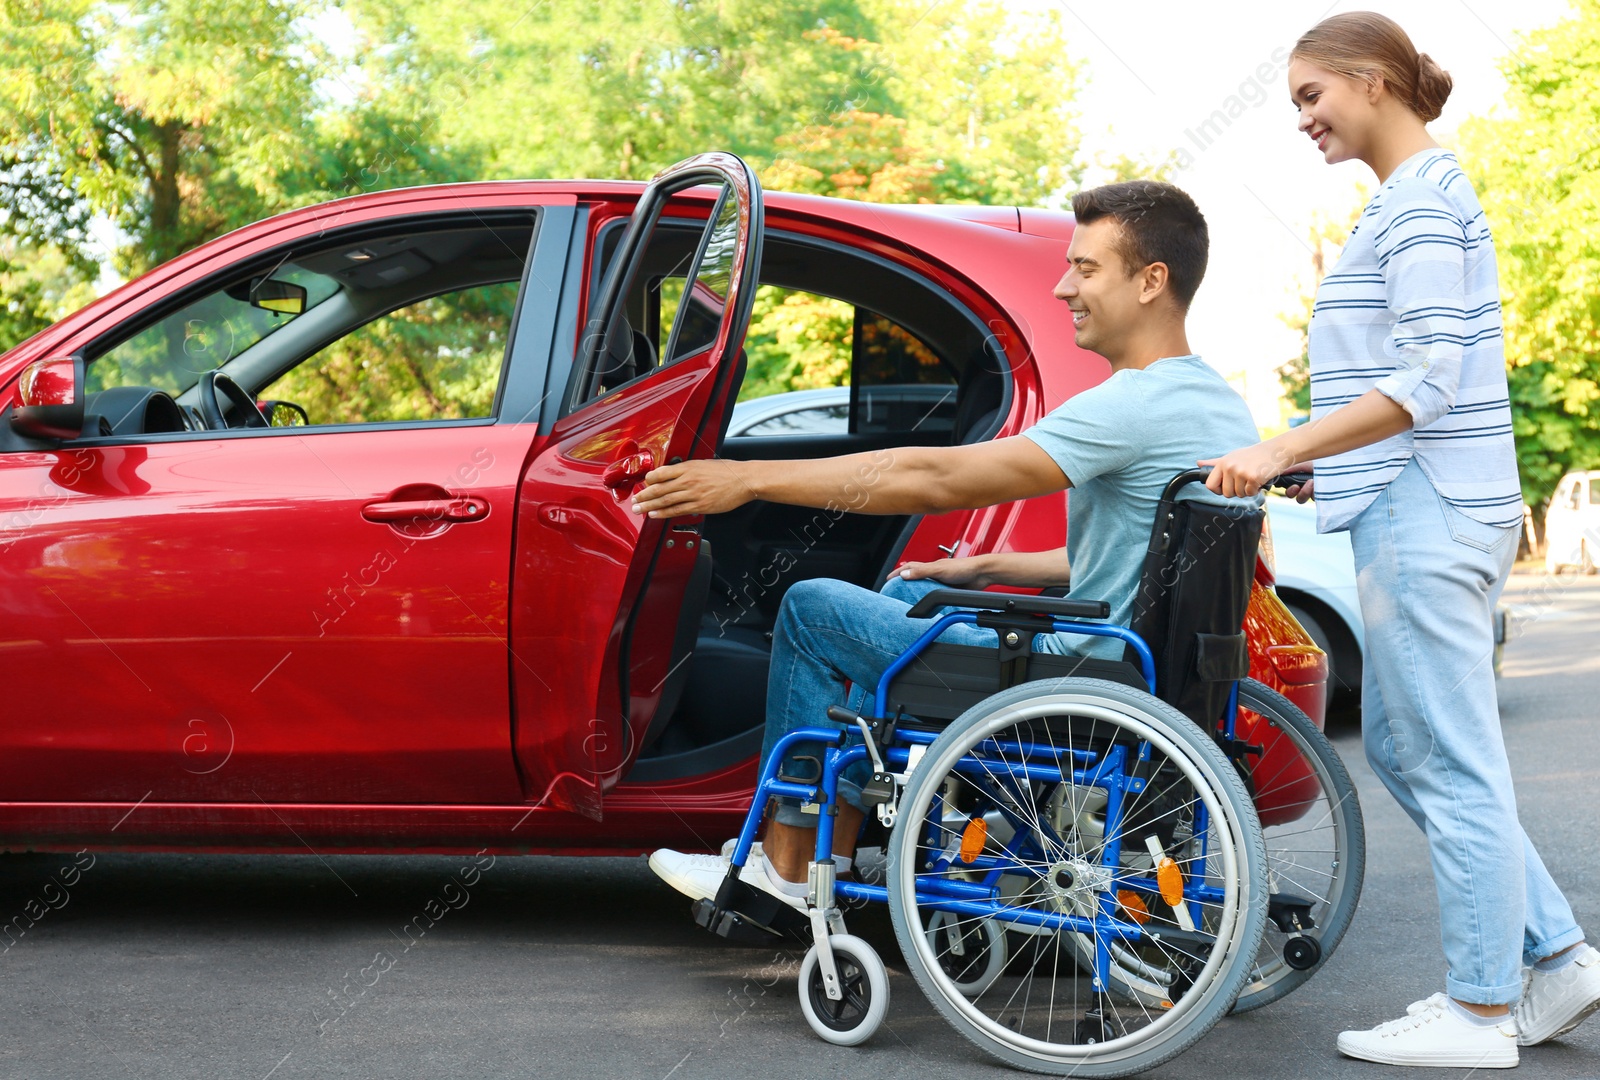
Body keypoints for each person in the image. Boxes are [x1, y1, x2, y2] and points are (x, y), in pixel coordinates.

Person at [638, 180, 1261, 912]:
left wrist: (747, 479)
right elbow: (1146, 560)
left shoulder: (1130, 406)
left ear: (1152, 281)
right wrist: (984, 565)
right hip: (1140, 667)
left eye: (1086, 269)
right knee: (909, 594)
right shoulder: (1216, 401)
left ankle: (788, 863)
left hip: (1078, 680)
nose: (1064, 288)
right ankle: (836, 842)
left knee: (812, 610)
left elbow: (934, 478)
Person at [1202, 12, 1599, 1069]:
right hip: (1412, 503)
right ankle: (1554, 956)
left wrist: (1285, 438)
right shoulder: (1411, 203)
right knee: (1403, 746)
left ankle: (1477, 1012)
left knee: (1447, 758)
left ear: (1371, 81)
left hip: (1426, 512)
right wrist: (1313, 458)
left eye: (1309, 96)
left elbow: (1426, 379)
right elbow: (1424, 382)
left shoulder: (1418, 204)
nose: (1300, 119)